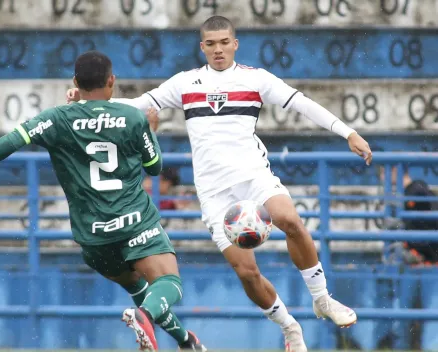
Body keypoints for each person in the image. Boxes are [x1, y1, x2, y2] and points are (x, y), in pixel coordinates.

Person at [67, 16, 372, 351]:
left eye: (224, 42)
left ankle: (322, 298)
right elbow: (139, 104)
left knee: (289, 220)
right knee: (247, 273)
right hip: (213, 193)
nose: (218, 49)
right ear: (202, 47)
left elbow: (302, 103)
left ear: (235, 43)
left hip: (253, 175)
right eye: (210, 44)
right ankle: (289, 326)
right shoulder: (186, 83)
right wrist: (86, 102)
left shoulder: (255, 79)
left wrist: (348, 132)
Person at [0, 51, 206, 352]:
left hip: (93, 236)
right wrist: (150, 131)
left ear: (75, 83)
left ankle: (186, 342)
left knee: (137, 285)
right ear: (112, 81)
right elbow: (155, 167)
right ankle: (144, 315)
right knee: (169, 283)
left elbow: (11, 141)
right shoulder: (133, 117)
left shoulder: (57, 119)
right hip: (134, 224)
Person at [381, 165, 438, 264]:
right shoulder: (414, 191)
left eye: (384, 172)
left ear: (395, 170)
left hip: (428, 256)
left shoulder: (416, 191)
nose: (382, 177)